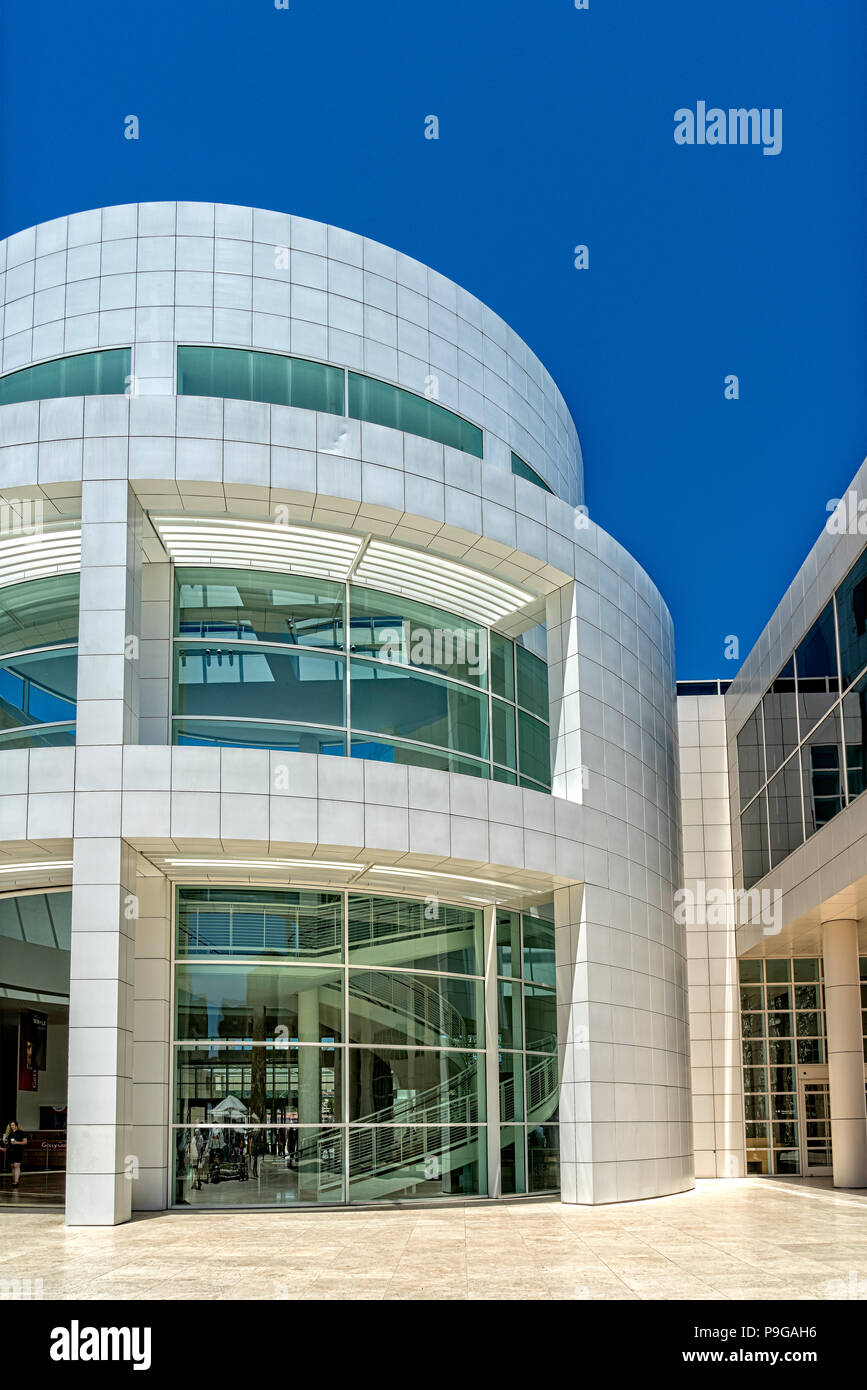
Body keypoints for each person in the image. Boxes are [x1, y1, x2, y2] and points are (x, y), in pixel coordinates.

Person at [1, 1121, 27, 1188]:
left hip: (18, 1151)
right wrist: (6, 1142)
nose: (12, 1126)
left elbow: (25, 1142)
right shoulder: (10, 1133)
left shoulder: (21, 1132)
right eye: (11, 1125)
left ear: (16, 1125)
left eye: (13, 1125)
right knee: (12, 1166)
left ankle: (16, 1182)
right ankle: (14, 1181)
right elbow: (9, 1143)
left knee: (16, 1165)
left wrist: (17, 1142)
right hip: (11, 1151)